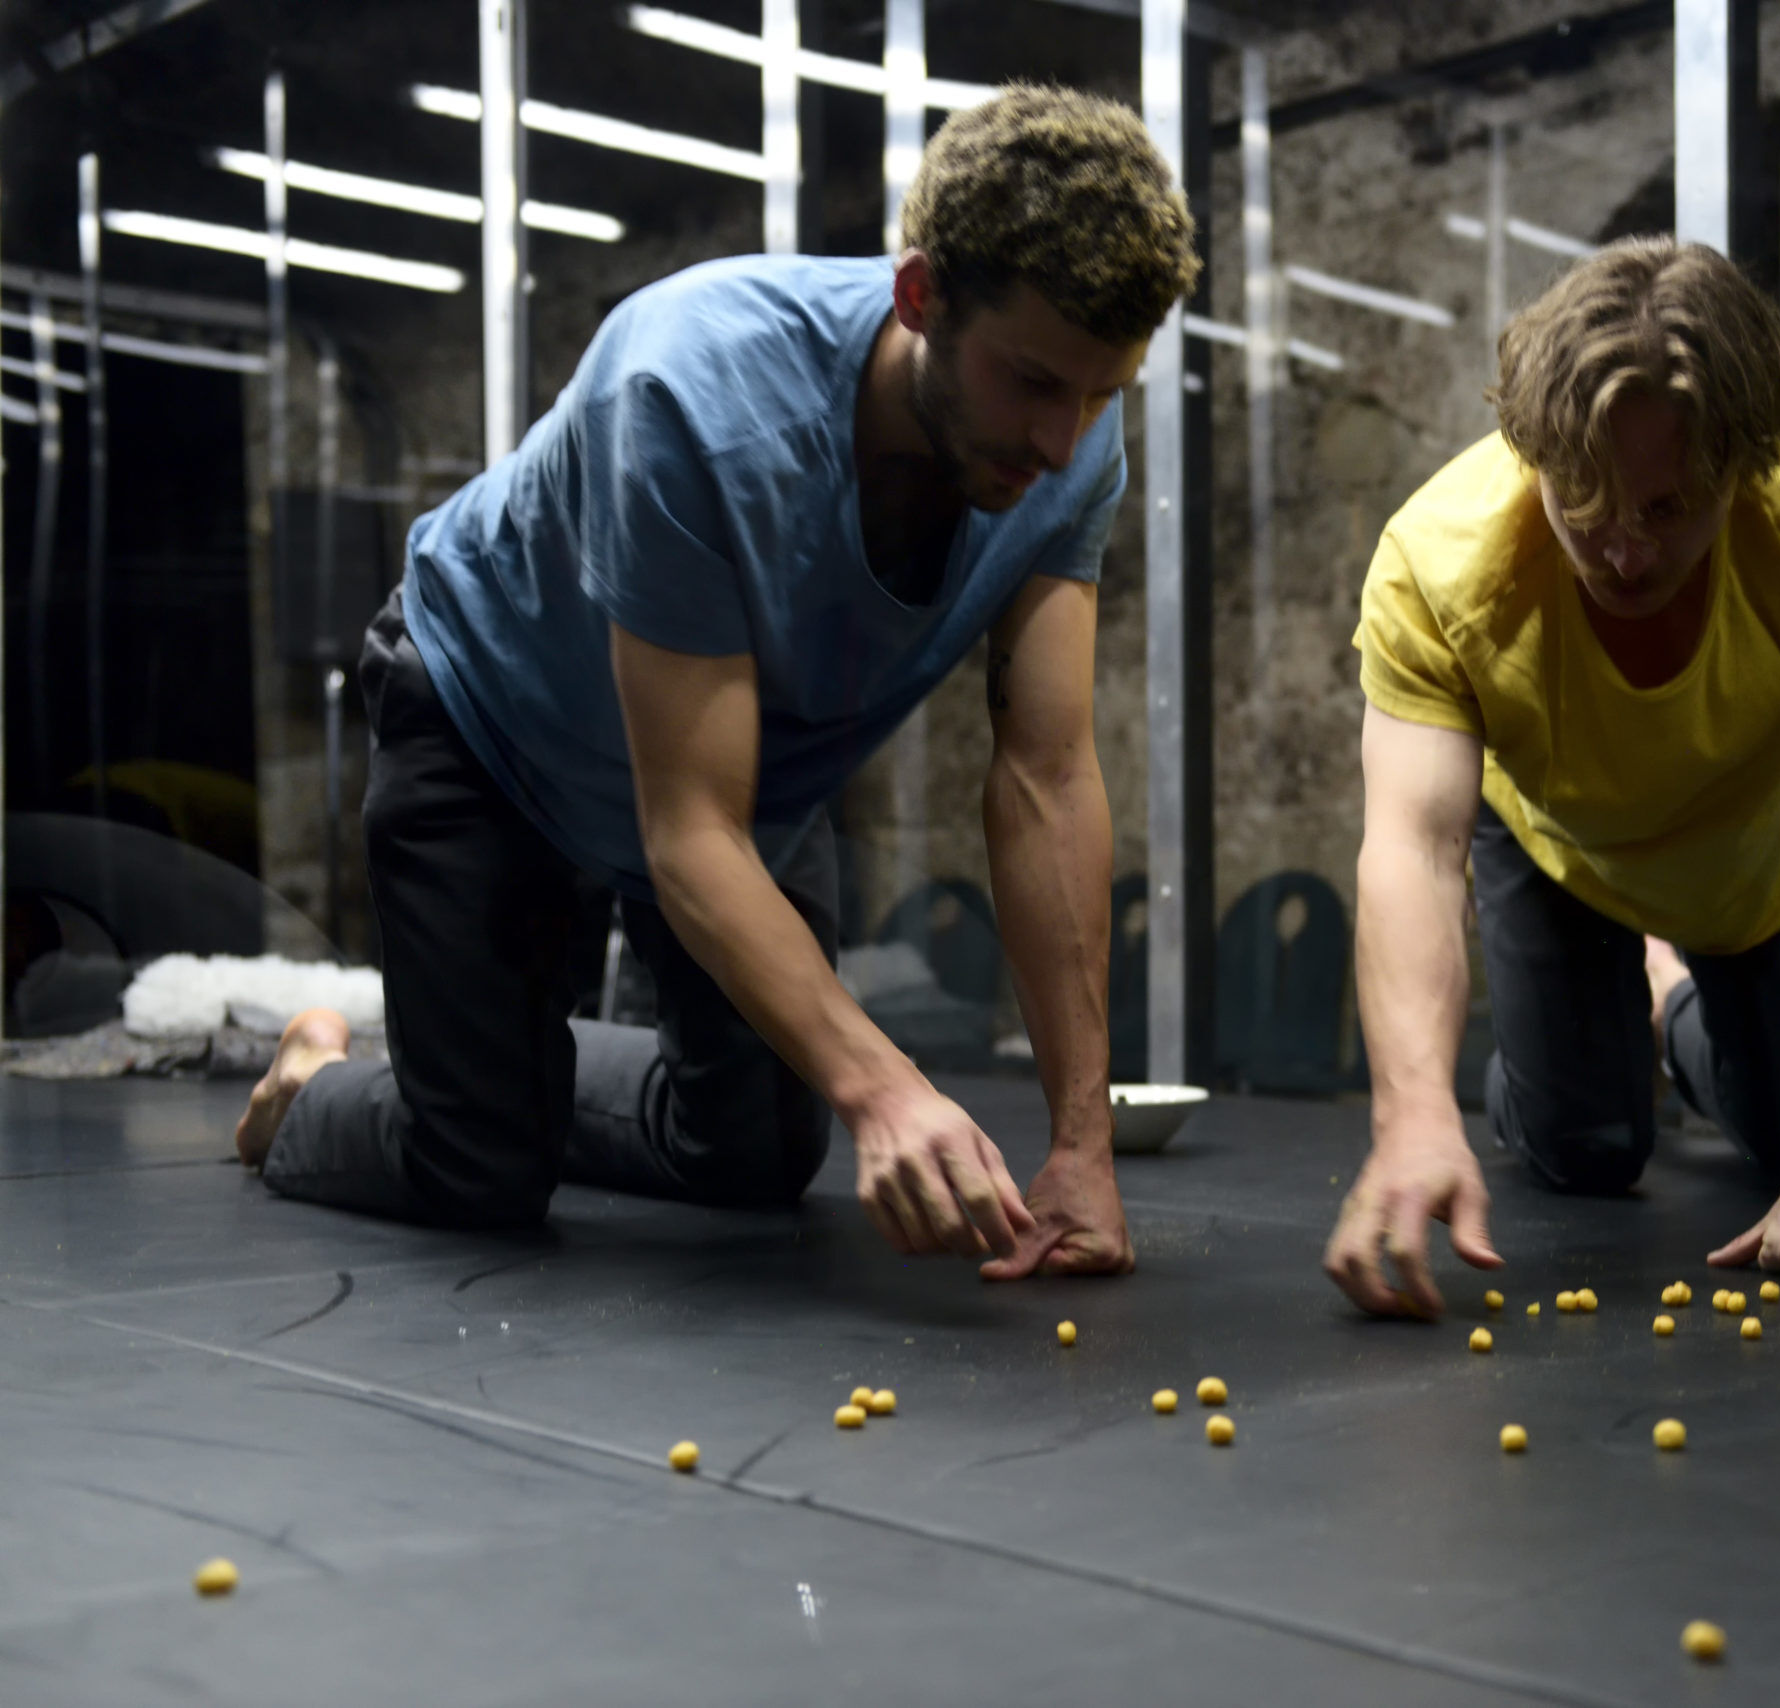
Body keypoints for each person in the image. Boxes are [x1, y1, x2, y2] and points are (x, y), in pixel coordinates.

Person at [232, 86, 1198, 1280]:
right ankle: (321, 1080)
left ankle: (502, 1066)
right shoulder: (689, 389)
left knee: (754, 1154)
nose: (1064, 441)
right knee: (477, 1172)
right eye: (1035, 383)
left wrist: (1082, 1144)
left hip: (745, 759)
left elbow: (1046, 775)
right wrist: (888, 1088)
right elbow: (688, 833)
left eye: (1102, 393)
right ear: (920, 297)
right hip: (494, 716)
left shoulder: (1071, 443)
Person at [1324, 237, 1780, 1314]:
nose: (1621, 551)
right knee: (1587, 1147)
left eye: (1665, 510)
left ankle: (1669, 1006)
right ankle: (1565, 1052)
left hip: (1760, 844)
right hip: (1556, 836)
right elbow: (1412, 848)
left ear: (1742, 468)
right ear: (1534, 454)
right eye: (1584, 502)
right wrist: (1414, 1114)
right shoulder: (1438, 561)